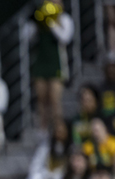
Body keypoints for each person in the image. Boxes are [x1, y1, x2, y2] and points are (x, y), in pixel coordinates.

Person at [26, 0, 74, 129]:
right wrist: (36, 20)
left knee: (54, 100)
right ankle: (43, 133)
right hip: (41, 61)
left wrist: (52, 22)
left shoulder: (64, 18)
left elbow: (65, 37)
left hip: (56, 62)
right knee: (41, 100)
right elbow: (28, 36)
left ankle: (58, 132)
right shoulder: (40, 18)